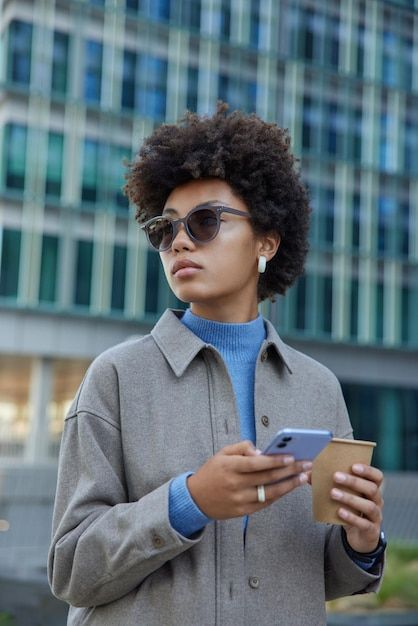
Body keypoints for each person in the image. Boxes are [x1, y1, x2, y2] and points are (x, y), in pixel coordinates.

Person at [48, 104, 385, 626]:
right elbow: (70, 570)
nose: (178, 241)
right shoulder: (116, 377)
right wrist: (189, 501)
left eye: (205, 222)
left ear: (266, 243)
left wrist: (361, 541)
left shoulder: (319, 388)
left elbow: (321, 575)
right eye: (165, 229)